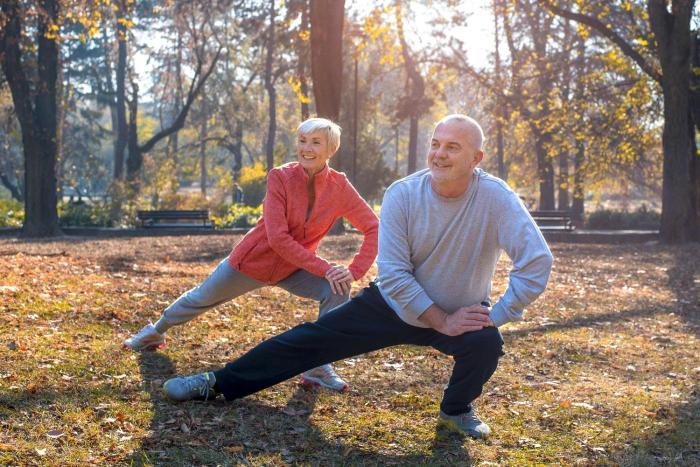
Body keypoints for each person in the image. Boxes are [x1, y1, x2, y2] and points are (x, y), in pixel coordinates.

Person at [161, 114, 553, 439]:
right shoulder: (403, 194)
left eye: (453, 146)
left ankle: (456, 409)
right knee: (307, 341)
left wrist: (495, 315)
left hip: (460, 310)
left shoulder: (496, 197)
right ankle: (217, 382)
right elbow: (396, 274)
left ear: (476, 157)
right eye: (435, 143)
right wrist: (440, 320)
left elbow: (535, 261)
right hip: (392, 306)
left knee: (486, 344)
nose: (439, 153)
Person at [124, 117, 379, 392]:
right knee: (201, 297)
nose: (306, 148)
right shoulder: (280, 177)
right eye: (302, 140)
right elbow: (278, 238)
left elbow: (374, 227)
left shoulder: (339, 187)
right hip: (252, 263)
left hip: (294, 268)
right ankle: (155, 330)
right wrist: (324, 267)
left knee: (337, 286)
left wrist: (352, 271)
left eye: (316, 142)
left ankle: (316, 364)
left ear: (331, 149)